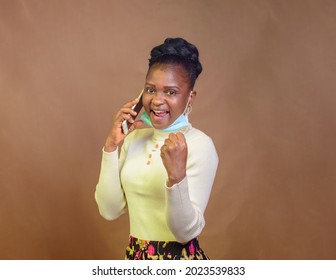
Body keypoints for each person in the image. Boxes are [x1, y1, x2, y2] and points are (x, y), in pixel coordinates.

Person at [95, 37, 218, 260]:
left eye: (170, 92)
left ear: (190, 97)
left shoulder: (200, 145)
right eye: (151, 90)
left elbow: (185, 233)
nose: (157, 101)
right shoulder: (134, 140)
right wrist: (111, 146)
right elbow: (109, 210)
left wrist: (176, 177)